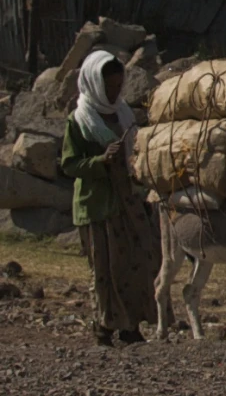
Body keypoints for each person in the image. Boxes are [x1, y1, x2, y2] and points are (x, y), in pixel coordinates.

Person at [61, 50, 159, 346]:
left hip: (126, 202)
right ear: (93, 83)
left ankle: (131, 326)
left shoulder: (123, 113)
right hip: (97, 206)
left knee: (135, 262)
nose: (116, 92)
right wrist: (101, 160)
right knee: (106, 270)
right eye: (110, 87)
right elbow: (69, 164)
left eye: (119, 86)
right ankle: (105, 326)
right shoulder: (79, 120)